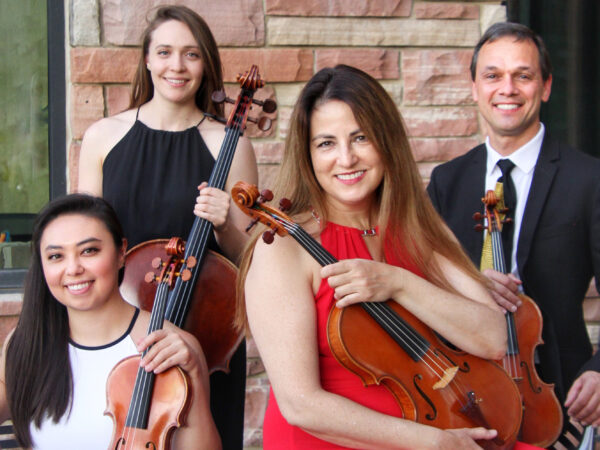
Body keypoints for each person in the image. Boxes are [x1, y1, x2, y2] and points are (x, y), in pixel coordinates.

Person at [236, 65, 510, 449]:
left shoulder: (415, 229)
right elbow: (301, 405)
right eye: (326, 143)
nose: (346, 159)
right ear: (307, 154)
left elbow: (495, 338)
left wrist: (398, 282)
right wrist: (435, 443)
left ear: (387, 141)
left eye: (360, 137)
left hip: (435, 427)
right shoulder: (283, 246)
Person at [76, 6, 257, 448]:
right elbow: (86, 245)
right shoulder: (103, 136)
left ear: (205, 64)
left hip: (202, 338)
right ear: (148, 60)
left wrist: (224, 225)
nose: (177, 66)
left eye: (191, 55)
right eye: (165, 52)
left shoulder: (230, 145)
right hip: (122, 334)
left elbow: (250, 257)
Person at [427, 22, 600, 433]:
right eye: (493, 75)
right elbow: (421, 280)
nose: (507, 88)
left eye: (523, 75)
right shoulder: (446, 181)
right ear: (474, 88)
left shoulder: (589, 179)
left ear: (546, 87)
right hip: (463, 394)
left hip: (560, 394)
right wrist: (467, 284)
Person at [0, 193, 220, 449]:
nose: (73, 269)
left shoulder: (170, 346)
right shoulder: (26, 342)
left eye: (89, 251)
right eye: (56, 256)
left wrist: (191, 378)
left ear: (121, 252)